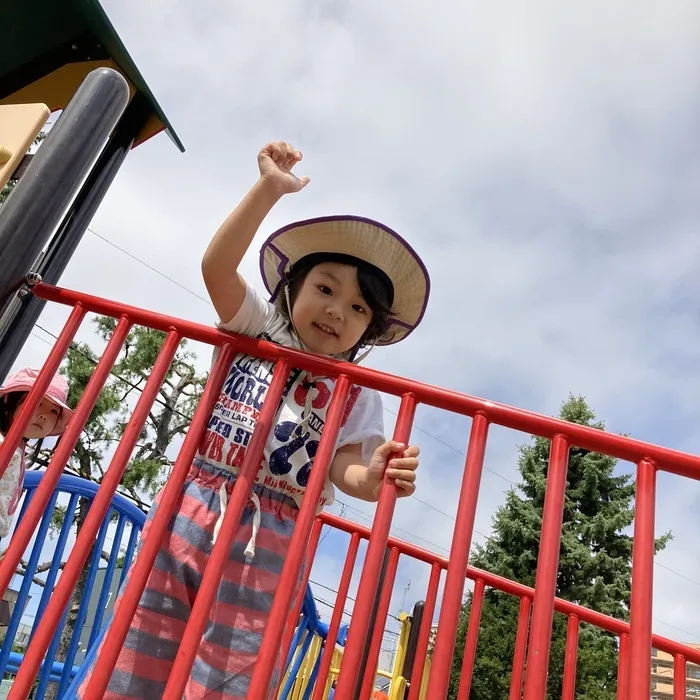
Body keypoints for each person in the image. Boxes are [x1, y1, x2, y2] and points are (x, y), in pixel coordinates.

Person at [79, 141, 431, 699]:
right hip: (193, 501)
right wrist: (269, 190)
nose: (338, 310)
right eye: (325, 288)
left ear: (370, 332)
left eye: (359, 308)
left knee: (230, 669)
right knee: (143, 641)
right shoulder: (258, 328)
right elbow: (215, 266)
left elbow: (346, 471)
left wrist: (378, 474)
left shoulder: (355, 391)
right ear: (290, 290)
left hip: (274, 536)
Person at [0, 367, 73, 540]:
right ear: (11, 401)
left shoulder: (18, 452)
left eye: (54, 411)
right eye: (38, 403)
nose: (44, 416)